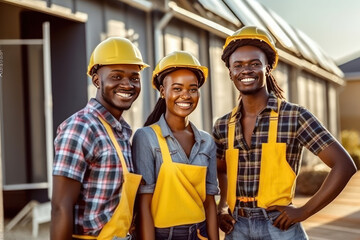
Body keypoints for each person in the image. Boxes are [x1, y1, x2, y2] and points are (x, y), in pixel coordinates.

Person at [213, 26, 357, 239]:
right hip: (237, 228)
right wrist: (222, 206)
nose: (246, 70)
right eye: (238, 65)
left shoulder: (294, 116)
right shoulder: (223, 125)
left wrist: (304, 211)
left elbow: (344, 165)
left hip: (279, 227)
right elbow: (221, 170)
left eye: (255, 63)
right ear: (230, 72)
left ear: (268, 68)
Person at [51, 37, 149, 240]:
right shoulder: (82, 127)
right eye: (116, 76)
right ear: (96, 80)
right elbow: (61, 207)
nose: (127, 84)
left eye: (134, 77)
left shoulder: (120, 131)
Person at [132, 51, 219, 240]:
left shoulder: (207, 142)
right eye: (177, 89)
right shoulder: (146, 137)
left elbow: (210, 202)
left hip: (200, 233)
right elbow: (144, 204)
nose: (185, 96)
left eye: (193, 89)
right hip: (163, 235)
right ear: (163, 91)